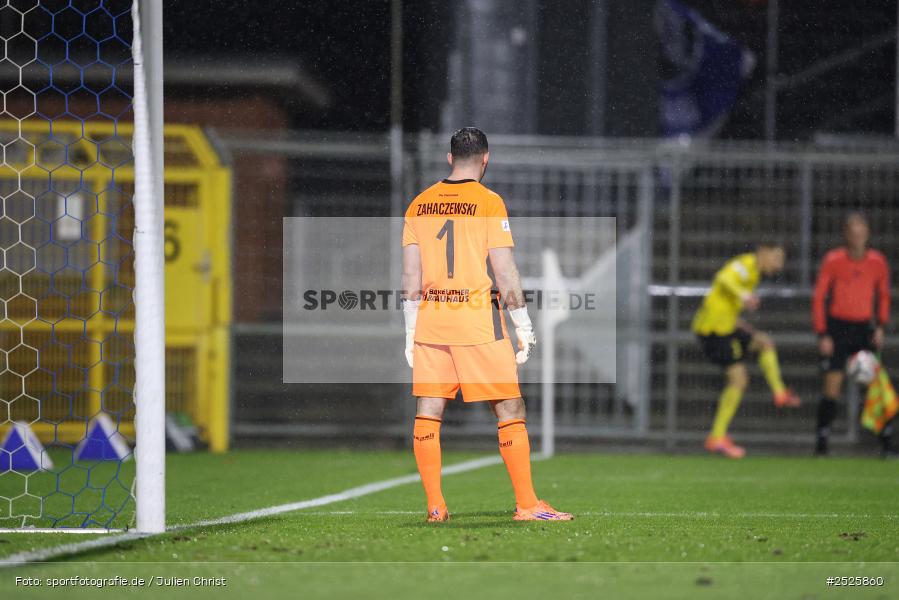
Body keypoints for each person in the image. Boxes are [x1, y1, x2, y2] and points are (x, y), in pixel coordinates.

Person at [401, 127, 572, 522]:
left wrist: (410, 331)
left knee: (429, 408)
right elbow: (505, 271)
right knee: (510, 407)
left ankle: (435, 507)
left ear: (449, 158)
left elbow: (410, 279)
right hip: (478, 321)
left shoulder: (418, 204)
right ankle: (528, 505)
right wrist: (524, 326)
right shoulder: (489, 202)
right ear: (485, 159)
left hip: (432, 320)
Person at [692, 241, 801, 458]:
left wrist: (740, 318)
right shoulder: (746, 264)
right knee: (739, 380)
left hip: (727, 327)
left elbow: (724, 302)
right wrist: (743, 295)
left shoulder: (754, 274)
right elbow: (722, 279)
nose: (779, 265)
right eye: (776, 258)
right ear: (763, 251)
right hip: (713, 330)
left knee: (764, 343)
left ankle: (779, 392)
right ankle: (717, 437)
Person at [812, 212, 893, 456]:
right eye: (852, 232)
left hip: (862, 330)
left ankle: (886, 444)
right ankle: (822, 444)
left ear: (867, 233)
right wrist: (822, 333)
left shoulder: (877, 262)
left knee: (874, 387)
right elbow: (819, 297)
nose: (857, 237)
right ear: (846, 234)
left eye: (861, 232)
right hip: (837, 329)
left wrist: (880, 326)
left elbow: (884, 296)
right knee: (832, 387)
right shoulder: (833, 260)